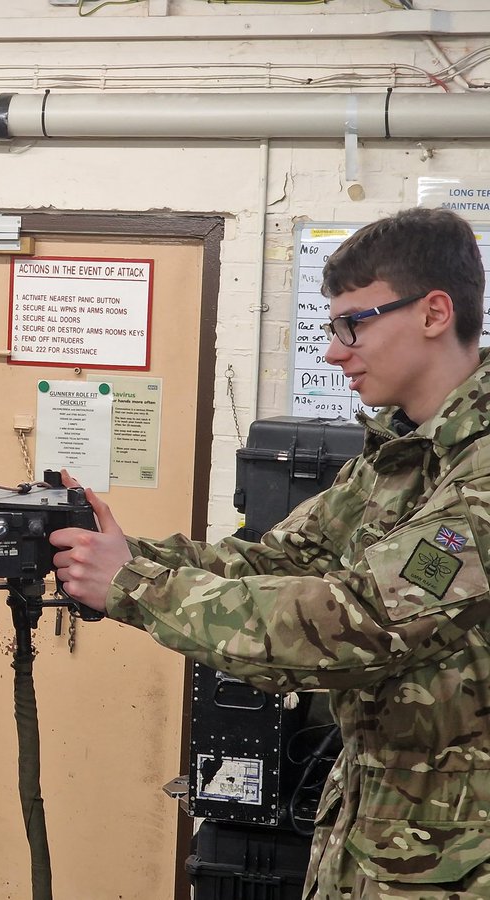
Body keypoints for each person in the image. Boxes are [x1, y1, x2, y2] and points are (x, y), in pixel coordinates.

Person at [50, 206, 490, 900]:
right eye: (331, 328)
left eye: (355, 324)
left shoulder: (481, 475)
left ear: (435, 312)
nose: (335, 351)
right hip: (380, 836)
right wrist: (122, 551)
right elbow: (281, 562)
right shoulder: (399, 458)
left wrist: (134, 585)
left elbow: (364, 620)